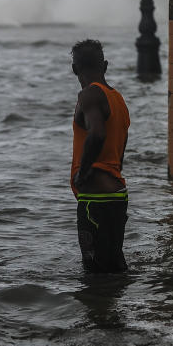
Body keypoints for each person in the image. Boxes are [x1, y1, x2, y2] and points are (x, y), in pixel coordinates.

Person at [70, 40, 130, 274]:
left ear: (75, 69)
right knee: (114, 267)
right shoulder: (117, 99)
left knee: (95, 274)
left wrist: (82, 173)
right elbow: (121, 145)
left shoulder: (89, 95)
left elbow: (97, 133)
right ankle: (115, 310)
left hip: (97, 199)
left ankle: (101, 311)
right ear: (105, 65)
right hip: (116, 194)